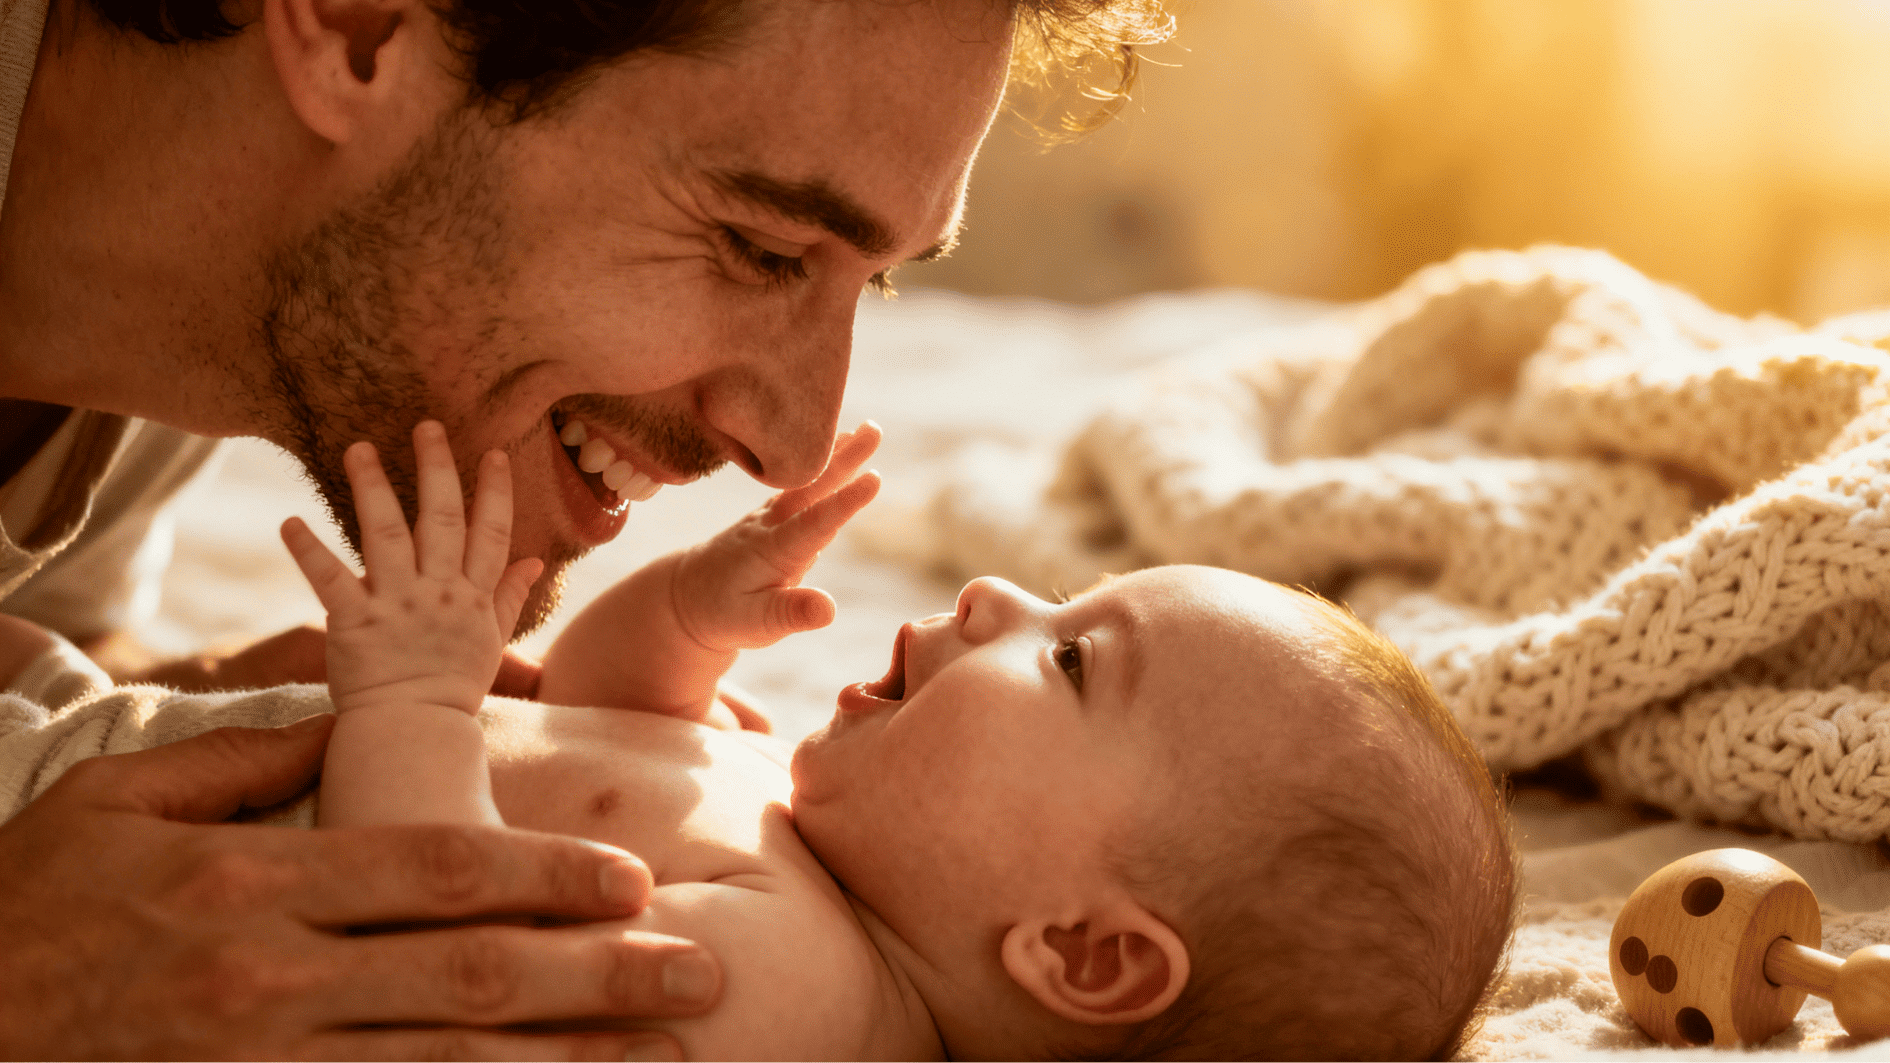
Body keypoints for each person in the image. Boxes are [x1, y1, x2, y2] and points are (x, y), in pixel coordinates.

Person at [0, 0, 1174, 1055]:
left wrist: (189, 692)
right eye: (759, 248)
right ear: (358, 28)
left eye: (871, 282)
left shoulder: (185, 320)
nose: (797, 444)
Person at [3, 418, 1513, 1058]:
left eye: (1067, 654)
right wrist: (679, 620)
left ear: (1086, 951)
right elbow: (591, 724)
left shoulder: (789, 999)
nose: (993, 589)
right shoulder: (825, 867)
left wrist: (412, 702)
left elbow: (428, 958)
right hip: (102, 739)